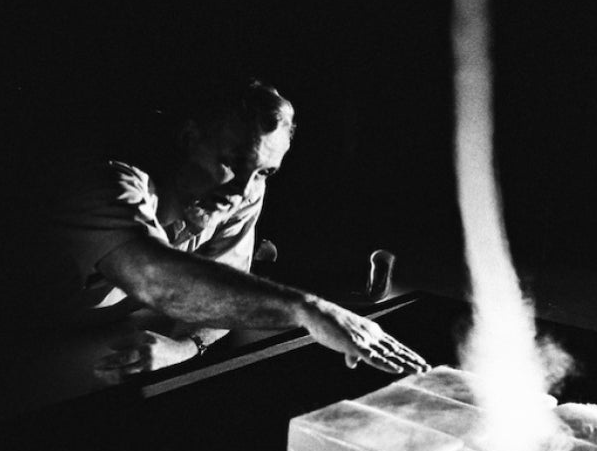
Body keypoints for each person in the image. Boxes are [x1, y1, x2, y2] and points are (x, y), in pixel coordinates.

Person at [45, 78, 429, 381]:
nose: (243, 191)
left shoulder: (245, 191)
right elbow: (156, 279)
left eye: (263, 173)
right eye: (232, 162)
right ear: (188, 139)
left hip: (82, 348)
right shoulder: (107, 181)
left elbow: (224, 296)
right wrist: (309, 310)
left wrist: (183, 349)